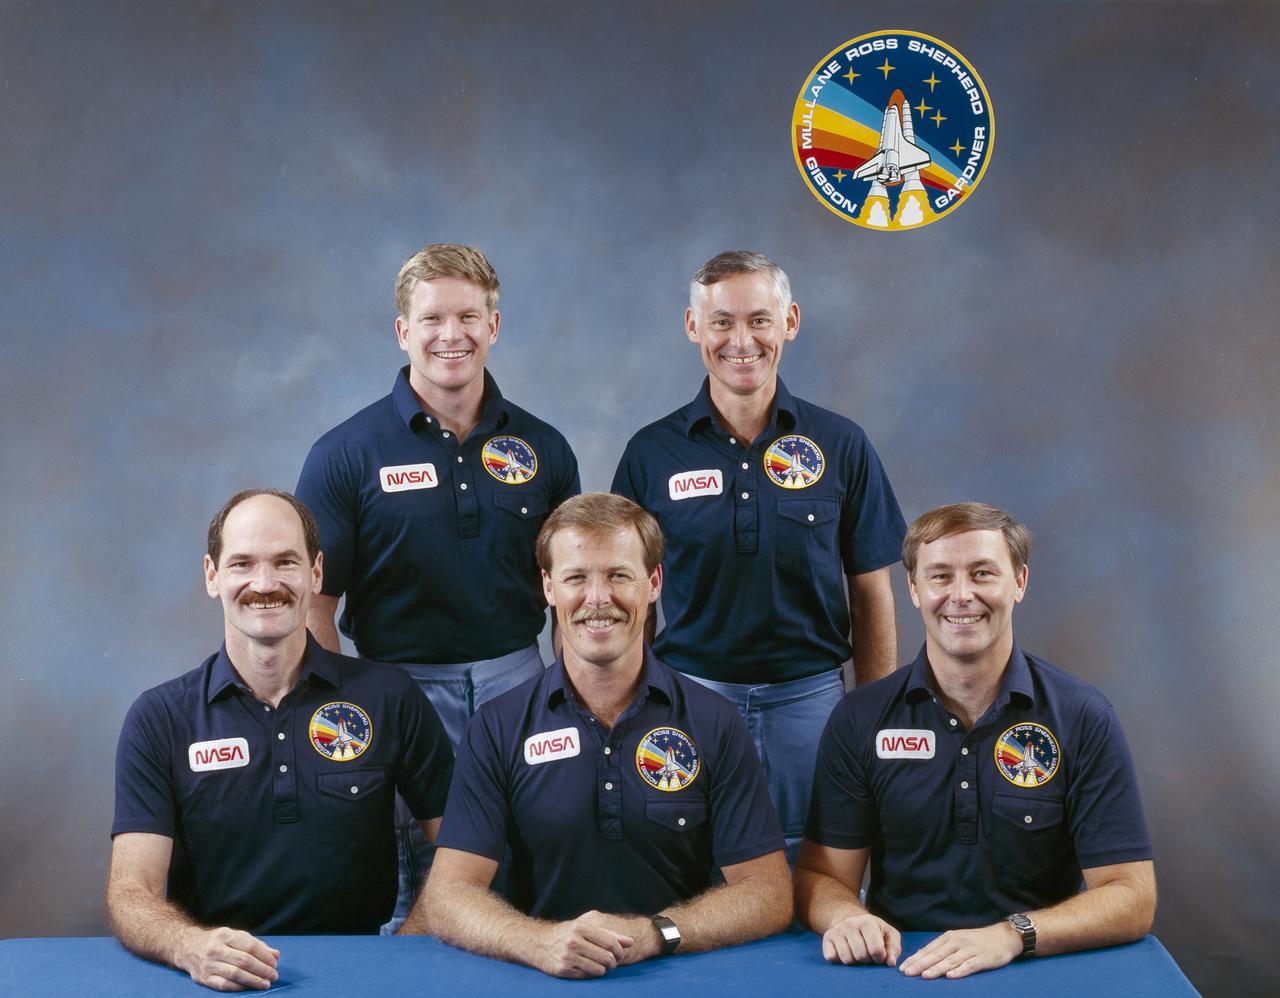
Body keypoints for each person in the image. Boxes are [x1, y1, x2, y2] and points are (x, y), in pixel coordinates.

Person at [294, 243, 580, 918]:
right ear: (403, 331)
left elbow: (571, 596)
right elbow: (315, 603)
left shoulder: (544, 448)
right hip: (399, 691)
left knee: (527, 875)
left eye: (468, 317)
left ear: (493, 326)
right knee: (415, 890)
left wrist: (570, 700)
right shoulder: (345, 453)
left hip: (521, 686)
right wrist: (348, 713)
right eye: (432, 319)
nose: (452, 335)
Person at [402, 493, 791, 977]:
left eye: (618, 575)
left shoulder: (714, 722)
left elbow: (768, 893)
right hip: (541, 979)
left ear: (654, 583)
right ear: (548, 587)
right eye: (576, 578)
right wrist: (539, 942)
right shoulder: (498, 726)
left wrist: (655, 934)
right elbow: (448, 894)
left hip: (677, 978)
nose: (598, 598)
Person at [612, 250, 905, 859]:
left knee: (819, 874)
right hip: (688, 704)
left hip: (812, 708)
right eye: (721, 322)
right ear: (693, 327)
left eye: (759, 320)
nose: (740, 341)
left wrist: (872, 718)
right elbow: (628, 597)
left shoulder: (842, 444)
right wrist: (628, 709)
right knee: (691, 874)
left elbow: (870, 591)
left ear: (789, 322)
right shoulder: (650, 453)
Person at [107, 490, 453, 991]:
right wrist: (188, 946)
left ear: (316, 573)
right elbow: (130, 891)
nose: (265, 584)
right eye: (242, 563)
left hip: (364, 973)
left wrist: (407, 943)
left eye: (285, 562)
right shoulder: (160, 719)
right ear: (212, 575)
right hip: (216, 977)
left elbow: (462, 849)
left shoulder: (388, 696)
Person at [795, 502, 1156, 980]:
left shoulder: (1082, 717)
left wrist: (1012, 935)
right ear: (914, 589)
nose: (961, 595)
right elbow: (821, 877)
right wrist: (846, 917)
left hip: (1039, 964)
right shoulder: (860, 718)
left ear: (1019, 582)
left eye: (982, 573)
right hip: (904, 968)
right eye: (940, 577)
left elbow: (1132, 895)